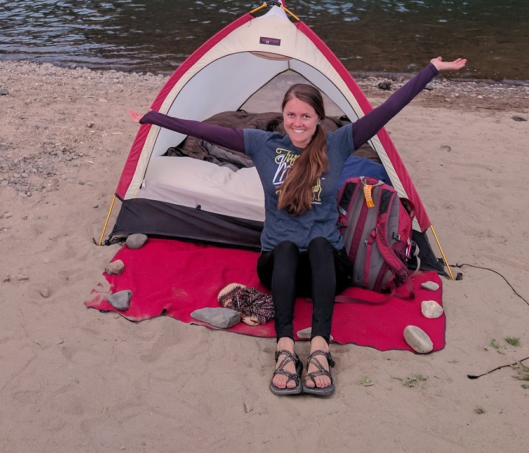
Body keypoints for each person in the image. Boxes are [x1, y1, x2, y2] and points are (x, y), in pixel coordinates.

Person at [130, 56, 467, 397]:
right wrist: (154, 118)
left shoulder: (337, 144)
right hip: (279, 266)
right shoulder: (263, 146)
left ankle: (320, 348)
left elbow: (386, 110)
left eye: (305, 116)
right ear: (283, 116)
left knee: (321, 243)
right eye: (291, 115)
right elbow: (206, 131)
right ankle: (285, 349)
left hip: (327, 268)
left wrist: (431, 70)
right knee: (287, 248)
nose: (298, 123)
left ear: (319, 118)